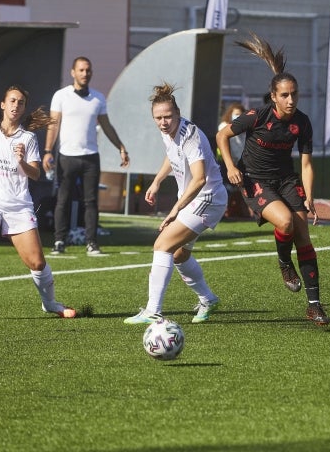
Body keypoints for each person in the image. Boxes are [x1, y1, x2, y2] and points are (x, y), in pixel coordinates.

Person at [216, 34, 330, 326]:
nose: (291, 100)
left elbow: (306, 163)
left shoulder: (302, 122)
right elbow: (222, 135)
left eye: (294, 94)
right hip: (256, 181)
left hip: (287, 180)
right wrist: (230, 166)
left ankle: (314, 305)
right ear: (274, 95)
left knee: (303, 235)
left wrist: (310, 197)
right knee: (286, 223)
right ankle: (283, 262)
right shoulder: (257, 116)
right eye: (285, 95)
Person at [0, 85, 76, 322]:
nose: (15, 105)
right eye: (12, 100)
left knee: (37, 262)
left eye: (20, 102)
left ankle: (50, 303)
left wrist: (21, 161)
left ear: (23, 109)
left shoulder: (28, 138)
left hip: (18, 205)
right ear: (2, 104)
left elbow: (35, 174)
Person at [124, 83, 226, 325]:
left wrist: (175, 209)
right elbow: (172, 155)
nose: (163, 122)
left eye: (168, 116)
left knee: (162, 245)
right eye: (158, 118)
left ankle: (153, 311)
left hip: (208, 198)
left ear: (178, 114)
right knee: (179, 254)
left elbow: (200, 179)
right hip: (194, 198)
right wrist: (157, 181)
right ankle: (209, 299)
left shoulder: (190, 135)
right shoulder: (167, 132)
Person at [43, 57, 129, 256]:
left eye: (88, 70)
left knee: (91, 201)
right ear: (73, 72)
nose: (85, 73)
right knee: (62, 200)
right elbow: (53, 124)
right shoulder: (61, 96)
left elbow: (106, 126)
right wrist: (48, 151)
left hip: (91, 156)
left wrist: (121, 147)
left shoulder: (98, 98)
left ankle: (92, 243)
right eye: (81, 70)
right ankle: (58, 241)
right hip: (66, 156)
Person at [217, 101, 251, 219]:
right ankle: (223, 211)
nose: (237, 116)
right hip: (226, 163)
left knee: (239, 188)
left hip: (240, 162)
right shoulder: (224, 127)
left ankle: (239, 211)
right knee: (227, 188)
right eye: (235, 114)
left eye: (240, 114)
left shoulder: (245, 129)